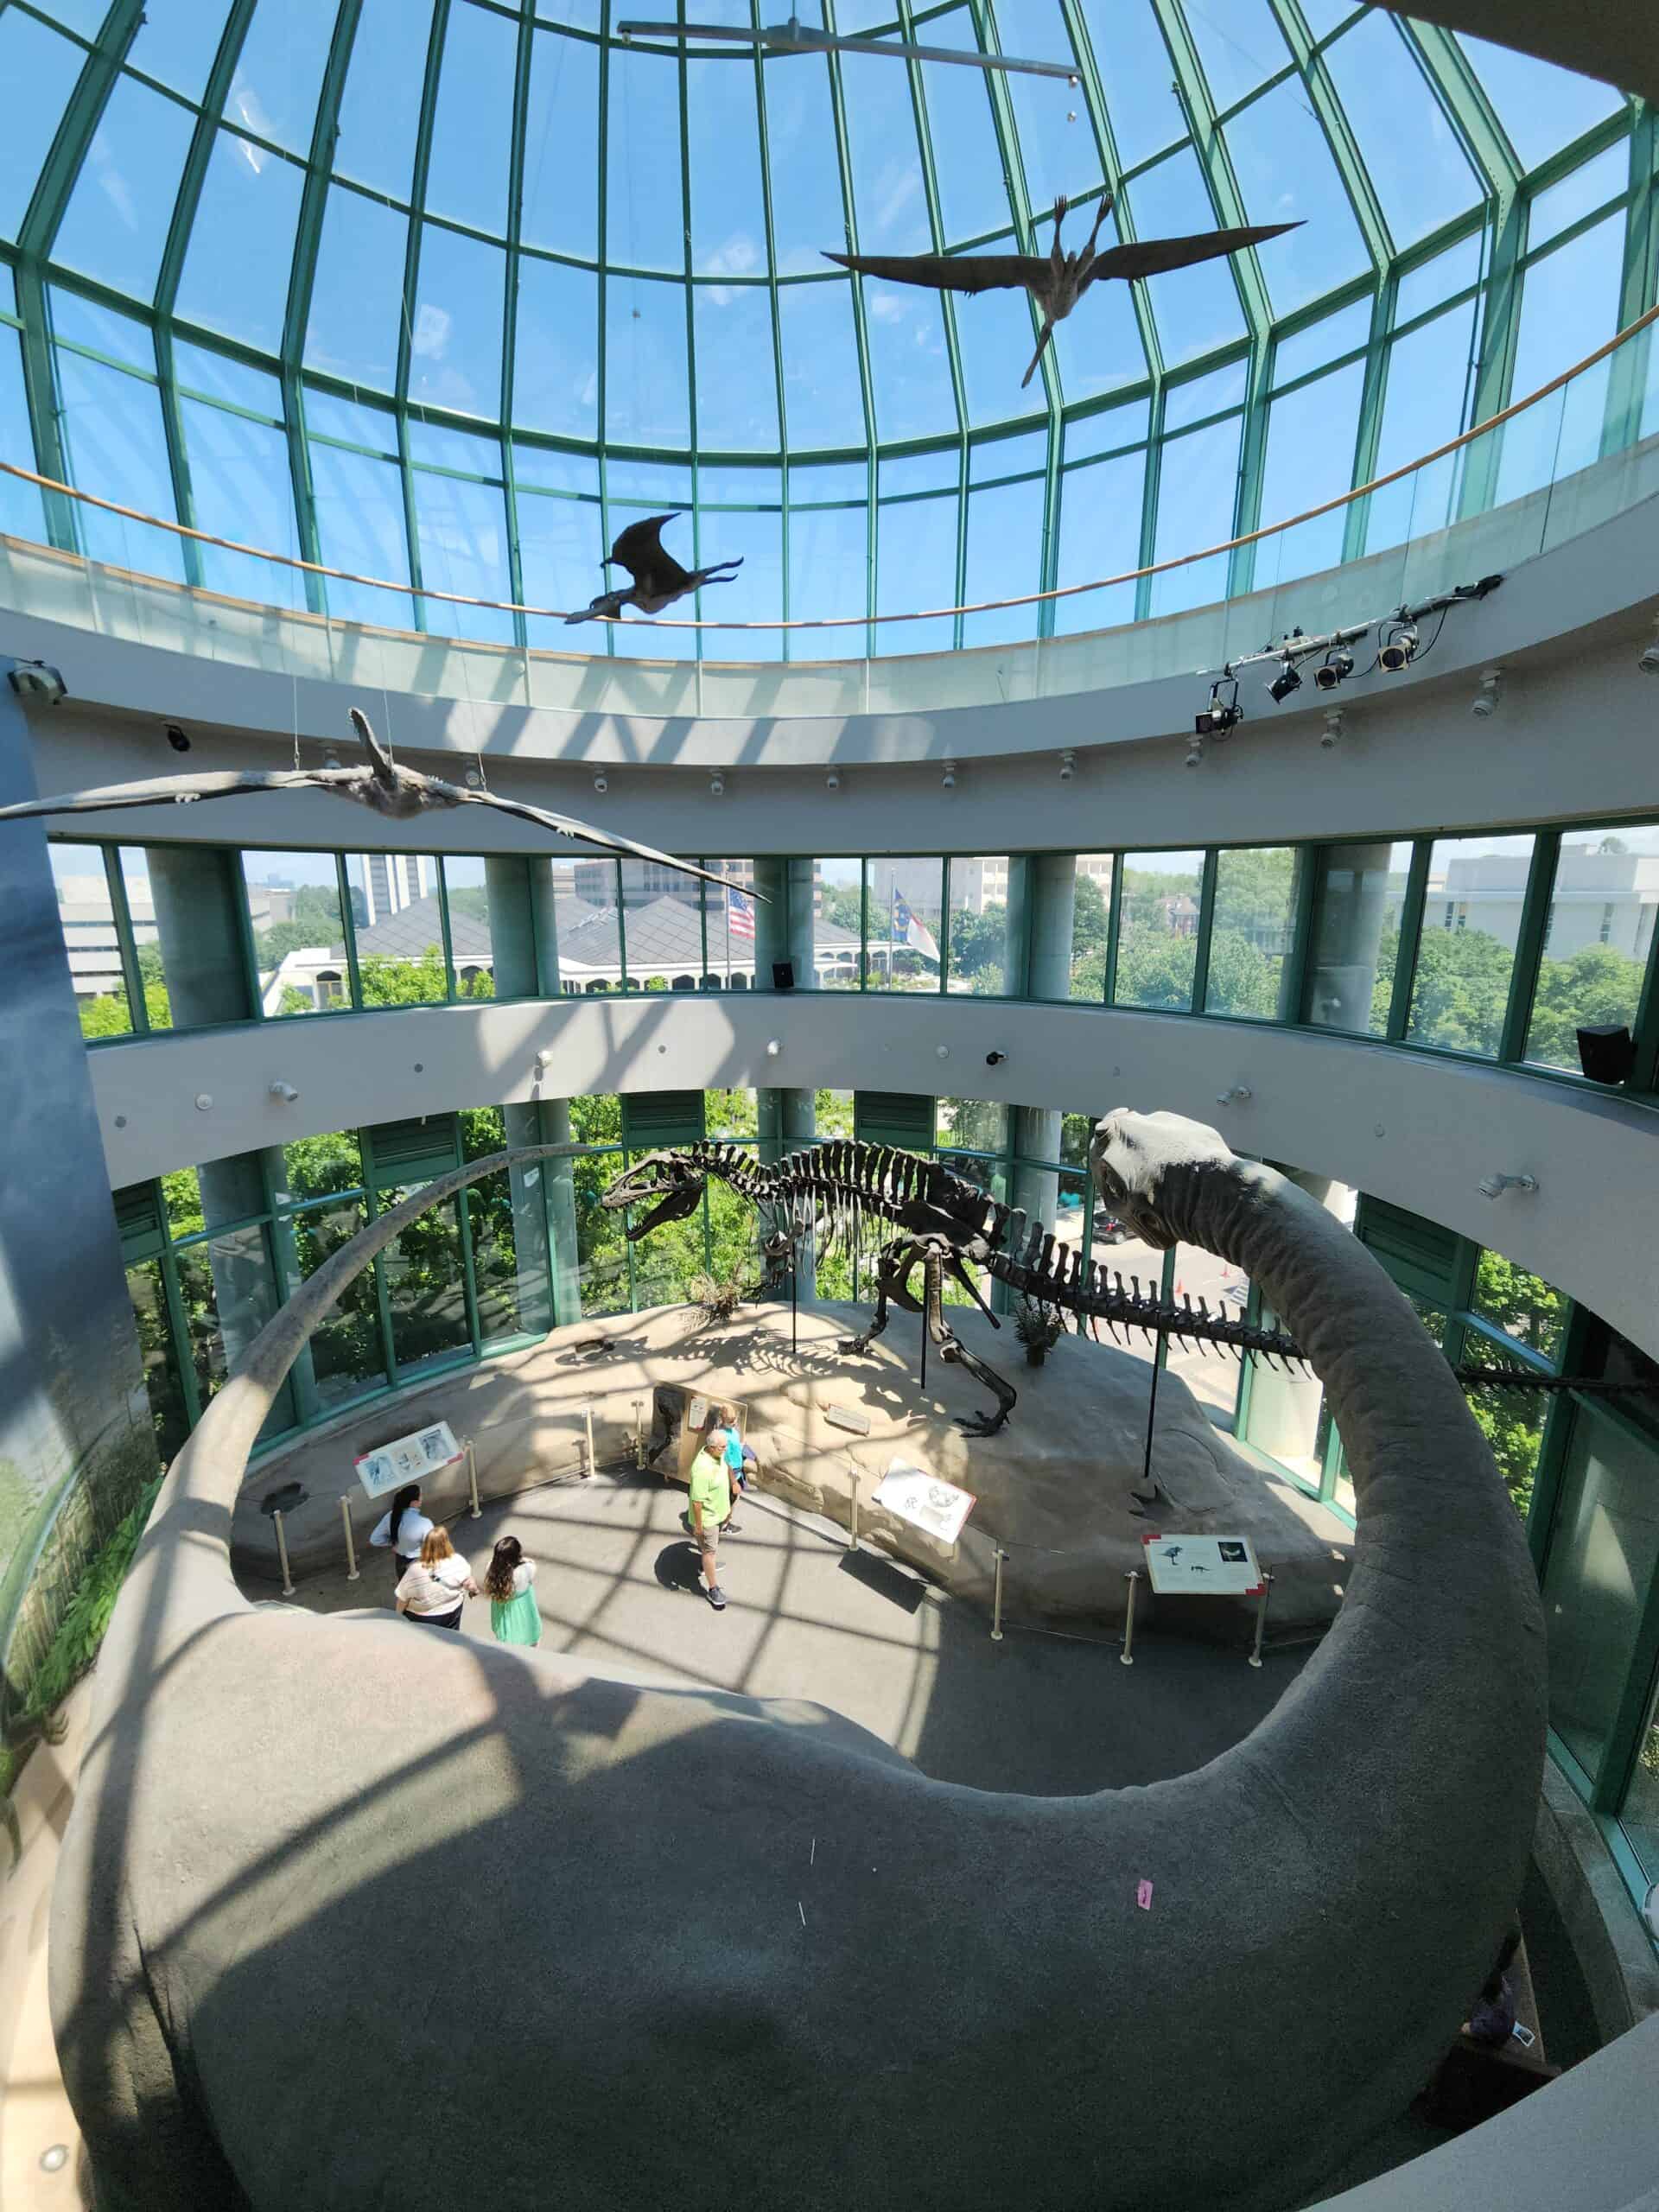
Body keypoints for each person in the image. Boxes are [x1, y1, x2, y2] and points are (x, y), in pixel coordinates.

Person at [394, 1526, 478, 1632]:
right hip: (453, 1609)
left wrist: (397, 1616)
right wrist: (474, 1591)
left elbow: (403, 1598)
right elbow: (469, 1582)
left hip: (425, 1617)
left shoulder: (415, 1570)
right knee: (452, 1637)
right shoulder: (458, 1560)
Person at [685, 1433, 733, 1611]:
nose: (725, 1449)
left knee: (708, 1550)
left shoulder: (715, 1455)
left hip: (716, 1514)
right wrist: (698, 1526)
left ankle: (706, 1567)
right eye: (722, 1447)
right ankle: (713, 1590)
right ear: (712, 1447)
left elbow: (725, 1466)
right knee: (709, 1552)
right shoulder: (702, 1468)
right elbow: (697, 1502)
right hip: (707, 1520)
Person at [369, 1483, 433, 1597]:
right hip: (419, 1561)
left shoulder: (390, 1516)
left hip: (401, 1561)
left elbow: (375, 1539)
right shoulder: (424, 1523)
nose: (422, 1498)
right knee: (423, 1592)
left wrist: (394, 1543)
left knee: (406, 1591)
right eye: (420, 1496)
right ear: (413, 1502)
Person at [483, 1535, 542, 1647]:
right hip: (522, 1609)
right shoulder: (525, 1571)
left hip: (501, 1609)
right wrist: (523, 1560)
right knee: (530, 1639)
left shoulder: (490, 1567)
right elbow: (532, 1565)